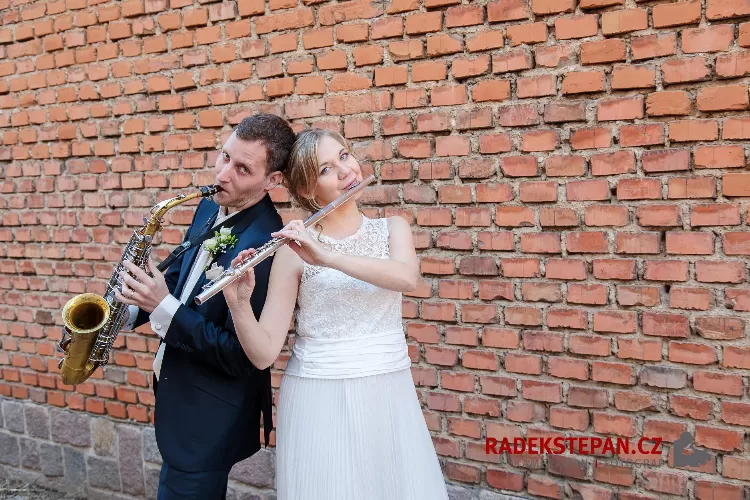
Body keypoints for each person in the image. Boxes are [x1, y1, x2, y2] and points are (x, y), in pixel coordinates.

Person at [222, 128, 449, 499]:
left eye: (344, 156)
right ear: (308, 190)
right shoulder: (292, 251)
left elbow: (406, 278)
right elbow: (263, 354)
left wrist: (327, 256)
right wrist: (239, 303)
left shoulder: (393, 229)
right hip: (318, 397)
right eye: (326, 169)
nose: (346, 171)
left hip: (387, 393)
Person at [114, 113, 297, 499]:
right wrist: (125, 313)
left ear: (272, 180)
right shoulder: (211, 206)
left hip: (210, 416)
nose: (224, 174)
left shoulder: (265, 245)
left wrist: (162, 305)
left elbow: (238, 355)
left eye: (243, 168)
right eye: (225, 157)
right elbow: (178, 282)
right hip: (182, 398)